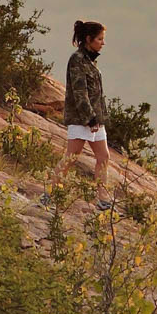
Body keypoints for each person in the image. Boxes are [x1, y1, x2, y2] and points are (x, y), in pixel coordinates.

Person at [62, 20, 112, 191]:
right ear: (89, 39)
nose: (103, 43)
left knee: (103, 156)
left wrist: (97, 117)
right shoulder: (77, 60)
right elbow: (79, 92)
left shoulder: (90, 61)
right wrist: (89, 118)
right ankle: (50, 194)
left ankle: (102, 198)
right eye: (99, 39)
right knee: (71, 157)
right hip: (81, 118)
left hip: (95, 118)